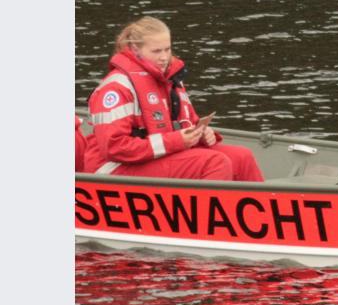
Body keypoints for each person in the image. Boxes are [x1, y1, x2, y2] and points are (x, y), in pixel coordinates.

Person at [82, 16, 264, 182]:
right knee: (214, 162)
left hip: (156, 155)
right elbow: (114, 148)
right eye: (156, 51)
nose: (164, 57)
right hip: (113, 169)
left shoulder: (168, 80)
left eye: (167, 49)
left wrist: (201, 134)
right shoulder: (116, 88)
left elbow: (187, 123)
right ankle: (202, 217)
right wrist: (176, 141)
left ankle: (261, 216)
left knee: (242, 157)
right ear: (136, 50)